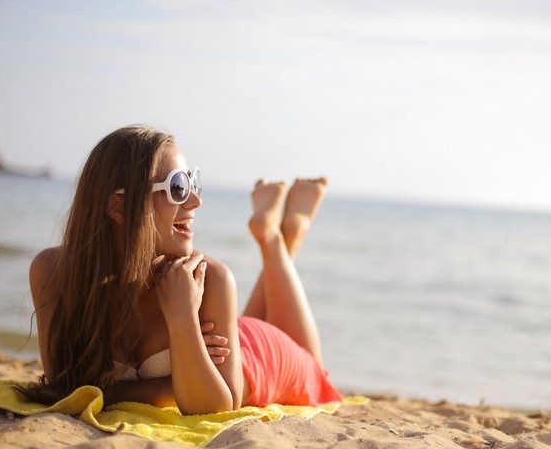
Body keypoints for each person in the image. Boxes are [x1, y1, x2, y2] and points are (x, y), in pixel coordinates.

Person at [22, 125, 341, 414]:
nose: (195, 202)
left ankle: (275, 238)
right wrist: (174, 384)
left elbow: (218, 405)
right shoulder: (53, 272)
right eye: (177, 187)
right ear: (119, 206)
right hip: (225, 337)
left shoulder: (207, 278)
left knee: (317, 374)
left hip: (261, 356)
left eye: (192, 183)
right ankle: (282, 236)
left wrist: (183, 314)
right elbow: (62, 388)